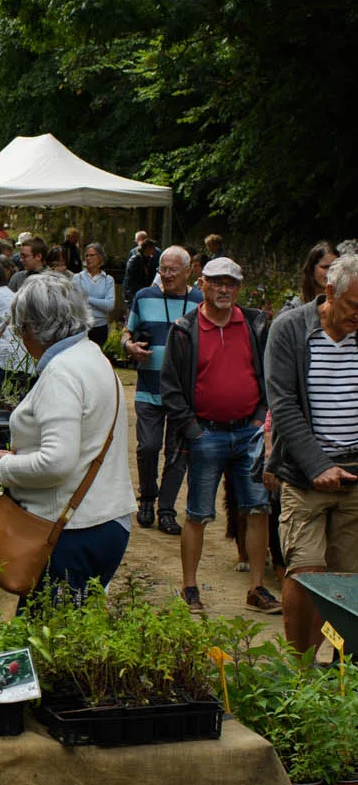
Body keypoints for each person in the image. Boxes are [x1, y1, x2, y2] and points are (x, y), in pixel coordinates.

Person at [0, 272, 136, 598]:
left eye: (20, 328)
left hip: (70, 529)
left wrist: (3, 465)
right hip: (103, 520)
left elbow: (57, 462)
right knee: (74, 636)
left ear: (33, 327)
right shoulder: (93, 356)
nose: (20, 337)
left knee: (46, 640)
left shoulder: (62, 372)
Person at [160, 256, 280, 617]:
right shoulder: (185, 328)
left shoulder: (255, 324)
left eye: (230, 283)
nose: (223, 289)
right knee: (198, 512)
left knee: (258, 510)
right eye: (216, 282)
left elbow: (270, 376)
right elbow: (170, 388)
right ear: (203, 284)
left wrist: (261, 418)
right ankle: (189, 587)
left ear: (238, 287)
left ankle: (257, 587)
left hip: (249, 431)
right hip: (205, 433)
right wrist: (192, 430)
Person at [264, 250, 358, 650]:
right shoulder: (289, 329)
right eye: (354, 305)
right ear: (330, 290)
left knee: (348, 586)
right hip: (305, 477)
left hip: (355, 475)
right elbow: (282, 402)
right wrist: (318, 464)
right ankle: (299, 673)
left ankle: (340, 678)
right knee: (305, 574)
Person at [123, 244, 200, 534]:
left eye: (172, 270)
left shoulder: (200, 302)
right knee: (148, 446)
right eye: (162, 269)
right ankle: (147, 498)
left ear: (188, 271)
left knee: (177, 454)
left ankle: (166, 510)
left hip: (183, 393)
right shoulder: (144, 297)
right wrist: (128, 346)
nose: (166, 275)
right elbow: (126, 333)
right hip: (148, 386)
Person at [75, 242, 114, 346]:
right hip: (82, 327)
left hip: (101, 328)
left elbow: (109, 305)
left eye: (92, 255)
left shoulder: (108, 280)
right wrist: (100, 303)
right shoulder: (77, 278)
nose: (88, 258)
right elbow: (76, 302)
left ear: (100, 257)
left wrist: (87, 298)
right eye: (87, 255)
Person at [284, 240, 338, 311]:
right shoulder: (293, 309)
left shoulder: (345, 306)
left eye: (335, 267)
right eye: (325, 267)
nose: (330, 272)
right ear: (311, 269)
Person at [122, 229, 159, 307]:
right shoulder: (135, 259)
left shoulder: (148, 258)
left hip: (143, 293)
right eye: (152, 249)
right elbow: (130, 280)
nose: (154, 251)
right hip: (135, 294)